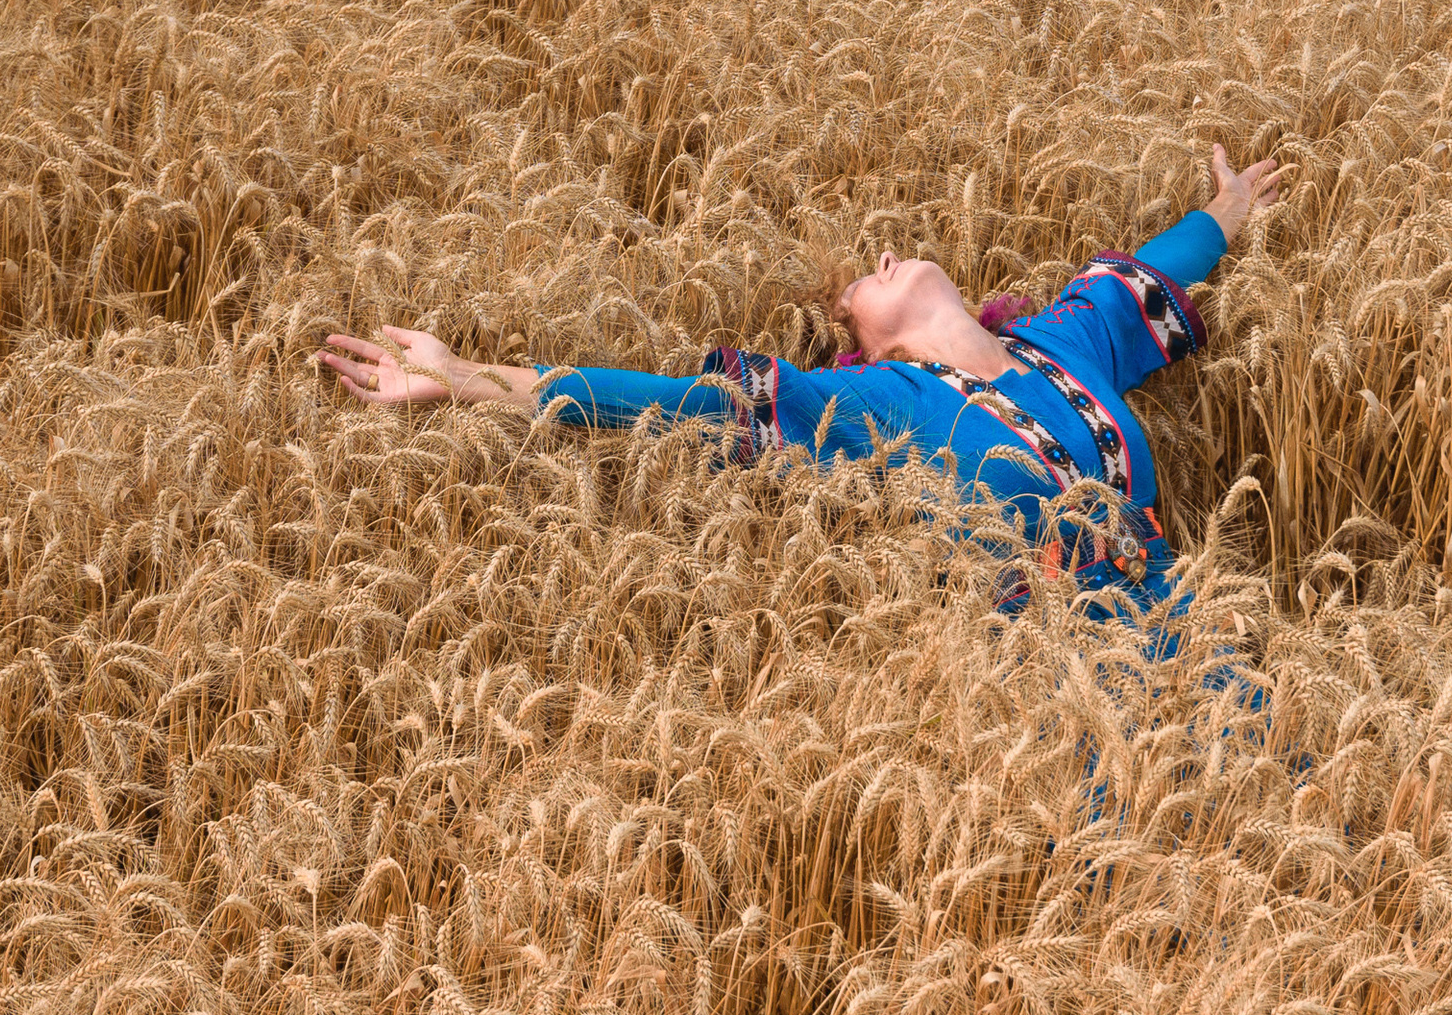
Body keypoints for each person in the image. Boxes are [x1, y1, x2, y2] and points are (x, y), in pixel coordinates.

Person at [320, 144, 1284, 651]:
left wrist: (1228, 208)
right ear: (864, 345)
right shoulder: (881, 403)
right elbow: (675, 404)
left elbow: (1149, 275)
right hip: (1077, 685)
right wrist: (470, 380)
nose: (882, 258)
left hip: (1201, 635)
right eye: (858, 288)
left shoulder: (1064, 346)